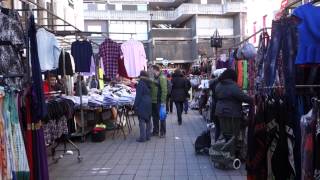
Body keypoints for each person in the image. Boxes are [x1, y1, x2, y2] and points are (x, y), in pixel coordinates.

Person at [214, 69, 253, 141]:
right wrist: (253, 100)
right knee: (232, 135)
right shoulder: (232, 85)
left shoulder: (219, 84)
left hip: (220, 111)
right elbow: (242, 96)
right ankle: (230, 150)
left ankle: (224, 148)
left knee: (225, 133)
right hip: (231, 113)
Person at [134, 71, 152, 142]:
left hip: (142, 102)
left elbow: (138, 96)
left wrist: (135, 105)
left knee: (141, 120)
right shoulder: (149, 82)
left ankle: (142, 137)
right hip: (149, 101)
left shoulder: (141, 83)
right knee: (148, 119)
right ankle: (148, 136)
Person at [151, 65, 167, 138]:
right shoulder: (155, 77)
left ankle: (163, 132)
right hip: (153, 101)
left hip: (159, 101)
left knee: (162, 117)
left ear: (155, 70)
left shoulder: (162, 77)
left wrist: (163, 101)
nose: (151, 71)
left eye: (152, 70)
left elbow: (164, 90)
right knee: (155, 117)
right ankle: (156, 131)